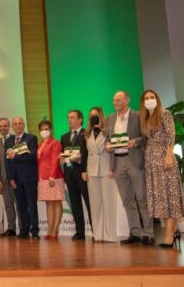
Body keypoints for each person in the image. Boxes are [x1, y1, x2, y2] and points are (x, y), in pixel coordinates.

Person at [139, 89, 184, 248]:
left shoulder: (164, 114)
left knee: (169, 196)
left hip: (164, 160)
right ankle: (174, 230)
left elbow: (171, 135)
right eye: (147, 98)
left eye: (152, 97)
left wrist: (168, 156)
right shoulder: (145, 118)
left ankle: (169, 236)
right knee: (161, 199)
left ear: (157, 99)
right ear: (143, 102)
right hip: (151, 162)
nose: (150, 100)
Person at [106, 91, 154, 246]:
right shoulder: (110, 118)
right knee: (127, 200)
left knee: (142, 198)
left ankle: (148, 233)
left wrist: (136, 142)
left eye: (118, 100)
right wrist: (107, 145)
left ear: (127, 100)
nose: (115, 103)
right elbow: (108, 138)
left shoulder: (138, 116)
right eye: (113, 100)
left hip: (134, 160)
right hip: (118, 162)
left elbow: (146, 137)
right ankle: (135, 232)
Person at [83, 107, 118, 242]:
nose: (93, 117)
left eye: (95, 115)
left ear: (101, 116)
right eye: (91, 115)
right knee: (95, 203)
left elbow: (114, 151)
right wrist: (86, 170)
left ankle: (110, 235)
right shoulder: (87, 133)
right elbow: (86, 154)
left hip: (106, 169)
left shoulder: (108, 131)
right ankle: (97, 234)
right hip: (92, 170)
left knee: (109, 202)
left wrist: (112, 168)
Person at [59, 110, 91, 240]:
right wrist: (61, 158)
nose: (69, 120)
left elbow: (89, 154)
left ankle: (96, 231)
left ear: (81, 119)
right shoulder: (64, 137)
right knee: (75, 204)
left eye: (72, 117)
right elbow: (63, 154)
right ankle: (80, 232)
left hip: (83, 173)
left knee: (89, 203)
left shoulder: (86, 134)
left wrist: (81, 159)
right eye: (68, 118)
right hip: (70, 174)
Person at [6, 117, 40, 239]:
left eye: (20, 123)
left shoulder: (31, 138)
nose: (18, 126)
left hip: (29, 177)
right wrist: (10, 179)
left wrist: (16, 156)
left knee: (32, 205)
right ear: (12, 126)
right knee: (21, 206)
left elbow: (32, 156)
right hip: (16, 180)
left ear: (23, 125)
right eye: (15, 124)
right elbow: (7, 162)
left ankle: (35, 231)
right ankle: (24, 230)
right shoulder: (9, 141)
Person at [37, 120, 64, 240]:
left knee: (56, 202)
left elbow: (55, 160)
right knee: (49, 204)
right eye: (42, 129)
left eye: (46, 129)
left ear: (51, 130)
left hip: (54, 177)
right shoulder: (39, 144)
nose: (44, 131)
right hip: (42, 177)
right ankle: (49, 230)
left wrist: (52, 176)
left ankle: (55, 231)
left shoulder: (55, 143)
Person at [0, 117, 19, 237]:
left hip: (16, 178)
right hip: (3, 180)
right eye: (0, 126)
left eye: (4, 126)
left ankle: (23, 228)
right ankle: (11, 228)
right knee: (8, 205)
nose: (2, 128)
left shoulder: (16, 139)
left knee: (19, 204)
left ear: (9, 126)